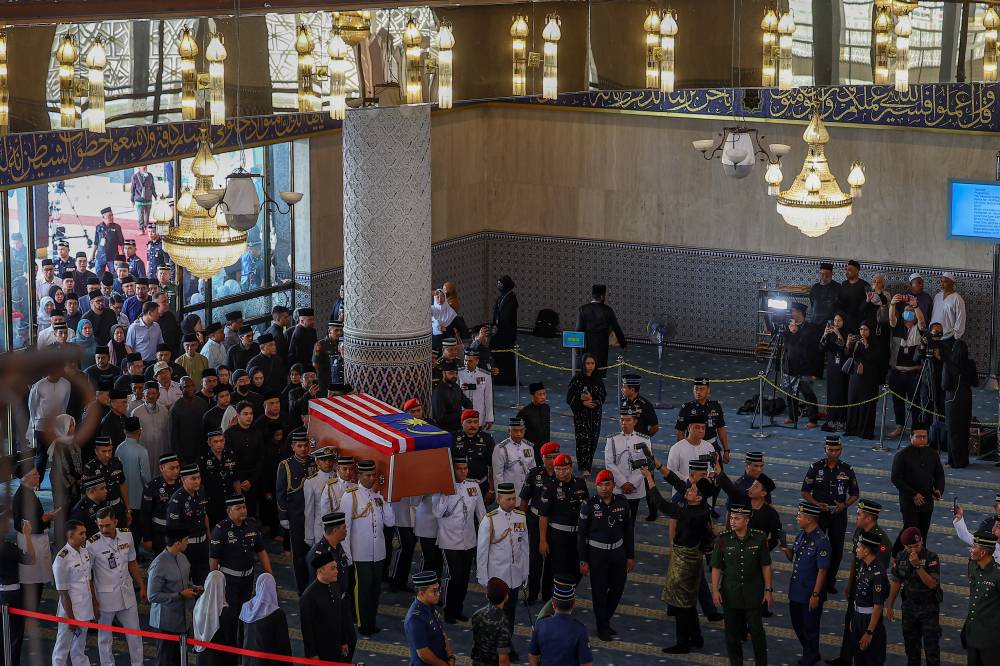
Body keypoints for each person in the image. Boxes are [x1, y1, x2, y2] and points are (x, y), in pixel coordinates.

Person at [641, 469, 715, 654]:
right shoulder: (703, 509)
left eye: (692, 491)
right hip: (694, 557)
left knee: (681, 604)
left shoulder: (690, 514)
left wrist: (649, 478)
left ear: (698, 498)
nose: (689, 490)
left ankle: (683, 643)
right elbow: (679, 484)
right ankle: (696, 637)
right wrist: (658, 466)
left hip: (684, 560)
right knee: (688, 601)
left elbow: (660, 503)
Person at [829, 499, 892, 666]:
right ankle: (846, 658)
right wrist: (850, 583)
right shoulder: (859, 532)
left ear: (869, 518)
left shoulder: (882, 541)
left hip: (871, 592)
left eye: (859, 514)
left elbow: (879, 572)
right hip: (858, 585)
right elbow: (855, 562)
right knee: (851, 621)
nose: (855, 517)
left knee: (868, 626)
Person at [710, 503, 772, 666]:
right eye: (731, 518)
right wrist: (715, 590)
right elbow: (716, 566)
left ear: (746, 521)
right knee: (732, 634)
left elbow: (766, 565)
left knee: (757, 631)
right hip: (730, 593)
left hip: (753, 593)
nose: (732, 521)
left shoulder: (759, 538)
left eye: (737, 518)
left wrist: (768, 590)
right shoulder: (723, 539)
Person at [577, 468, 634, 641]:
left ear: (613, 485)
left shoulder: (622, 503)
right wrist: (583, 560)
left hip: (618, 553)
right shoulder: (589, 505)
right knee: (599, 592)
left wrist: (630, 556)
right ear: (596, 486)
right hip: (597, 554)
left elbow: (628, 532)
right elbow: (581, 535)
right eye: (600, 485)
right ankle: (602, 627)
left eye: (607, 484)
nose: (604, 488)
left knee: (617, 588)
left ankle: (605, 620)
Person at [87, 507, 146, 666]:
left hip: (126, 593)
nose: (104, 529)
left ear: (115, 522)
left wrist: (141, 586)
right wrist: (93, 602)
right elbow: (88, 576)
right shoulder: (92, 544)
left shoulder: (127, 535)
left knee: (135, 635)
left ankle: (138, 664)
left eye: (107, 525)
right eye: (100, 526)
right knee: (105, 637)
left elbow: (132, 562)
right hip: (105, 598)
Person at [344, 458, 395, 635]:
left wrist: (386, 499)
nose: (371, 478)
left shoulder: (378, 496)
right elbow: (346, 528)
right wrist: (348, 555)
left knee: (375, 589)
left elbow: (390, 522)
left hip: (378, 552)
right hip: (360, 552)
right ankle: (362, 623)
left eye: (373, 475)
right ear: (359, 475)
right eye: (367, 475)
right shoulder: (350, 496)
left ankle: (371, 621)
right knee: (362, 589)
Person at [477, 482, 529, 656]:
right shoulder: (489, 519)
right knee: (495, 616)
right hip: (497, 578)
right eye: (508, 499)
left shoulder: (520, 517)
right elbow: (482, 551)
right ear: (499, 499)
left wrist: (525, 572)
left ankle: (507, 644)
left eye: (514, 498)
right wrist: (483, 578)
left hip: (514, 576)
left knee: (511, 613)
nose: (512, 502)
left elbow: (525, 548)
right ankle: (492, 647)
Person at [433, 456, 487, 622]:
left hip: (469, 540)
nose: (463, 472)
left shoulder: (473, 486)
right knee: (453, 576)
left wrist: (487, 536)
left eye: (465, 468)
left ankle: (458, 609)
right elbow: (437, 513)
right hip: (449, 540)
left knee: (464, 578)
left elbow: (481, 514)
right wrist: (447, 493)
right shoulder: (442, 487)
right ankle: (448, 610)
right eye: (459, 469)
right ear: (452, 470)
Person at [884, 527, 941, 666]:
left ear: (922, 541)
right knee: (911, 650)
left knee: (932, 652)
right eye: (910, 547)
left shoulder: (931, 557)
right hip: (909, 608)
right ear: (905, 546)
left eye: (917, 545)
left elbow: (933, 584)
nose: (914, 550)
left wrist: (917, 566)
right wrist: (890, 605)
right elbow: (896, 581)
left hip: (929, 609)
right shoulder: (901, 557)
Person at [784, 502, 832, 666]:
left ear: (810, 519)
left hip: (811, 592)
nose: (797, 518)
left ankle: (809, 658)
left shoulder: (822, 541)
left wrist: (816, 594)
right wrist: (787, 551)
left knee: (810, 628)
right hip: (796, 589)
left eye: (800, 515)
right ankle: (812, 652)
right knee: (797, 624)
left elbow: (823, 570)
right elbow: (794, 559)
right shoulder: (801, 535)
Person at [890, 421, 945, 555]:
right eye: (918, 437)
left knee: (923, 532)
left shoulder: (932, 454)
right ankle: (897, 552)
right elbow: (896, 478)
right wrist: (913, 494)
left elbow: (939, 475)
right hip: (909, 501)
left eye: (924, 437)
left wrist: (938, 489)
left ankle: (920, 556)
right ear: (911, 437)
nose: (922, 440)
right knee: (910, 529)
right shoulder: (902, 456)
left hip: (927, 500)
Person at [210, 494, 272, 608]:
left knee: (246, 611)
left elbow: (261, 552)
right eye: (238, 508)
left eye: (244, 507)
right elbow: (214, 559)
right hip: (229, 581)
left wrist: (270, 575)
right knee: (232, 613)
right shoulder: (220, 530)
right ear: (228, 511)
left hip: (248, 578)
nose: (243, 511)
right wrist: (215, 585)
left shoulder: (252, 525)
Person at [538, 453, 588, 592]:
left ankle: (567, 596)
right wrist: (543, 540)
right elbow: (543, 516)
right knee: (555, 570)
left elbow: (586, 509)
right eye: (558, 469)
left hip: (576, 535)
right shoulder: (550, 487)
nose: (561, 472)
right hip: (557, 536)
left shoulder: (580, 483)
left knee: (576, 569)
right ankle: (551, 601)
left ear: (571, 468)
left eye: (565, 469)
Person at [518, 441, 559, 605]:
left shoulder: (562, 473)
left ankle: (547, 595)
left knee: (551, 562)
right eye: (548, 457)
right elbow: (524, 500)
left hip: (555, 524)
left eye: (555, 457)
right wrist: (520, 526)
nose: (552, 461)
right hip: (534, 520)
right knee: (534, 560)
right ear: (541, 458)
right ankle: (533, 593)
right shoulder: (534, 474)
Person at [275, 431, 315, 593]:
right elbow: (280, 492)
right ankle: (302, 588)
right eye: (299, 446)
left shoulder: (315, 462)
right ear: (293, 447)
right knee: (299, 554)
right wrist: (283, 515)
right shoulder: (286, 465)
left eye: (306, 445)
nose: (304, 449)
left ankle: (314, 585)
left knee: (314, 553)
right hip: (296, 516)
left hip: (313, 516)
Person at [149, 528, 196, 666]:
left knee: (181, 660)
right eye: (186, 539)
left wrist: (193, 587)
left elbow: (183, 581)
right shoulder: (159, 564)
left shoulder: (182, 557)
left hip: (182, 619)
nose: (188, 542)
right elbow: (153, 596)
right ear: (177, 543)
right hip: (165, 622)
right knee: (165, 660)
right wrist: (180, 595)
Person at [52, 520, 96, 666]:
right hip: (69, 611)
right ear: (71, 535)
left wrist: (94, 604)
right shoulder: (61, 559)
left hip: (84, 607)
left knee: (80, 646)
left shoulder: (84, 552)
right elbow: (63, 593)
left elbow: (89, 581)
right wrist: (71, 618)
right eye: (81, 533)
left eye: (85, 532)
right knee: (62, 649)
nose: (85, 536)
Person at [12, 464, 54, 613]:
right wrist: (45, 519)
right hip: (30, 542)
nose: (39, 476)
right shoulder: (21, 496)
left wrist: (44, 519)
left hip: (36, 540)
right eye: (35, 474)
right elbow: (22, 524)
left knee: (38, 581)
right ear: (26, 478)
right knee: (31, 583)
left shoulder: (28, 492)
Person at [300, 551, 356, 662]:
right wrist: (312, 655)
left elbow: (340, 616)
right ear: (320, 571)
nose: (337, 571)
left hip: (337, 648)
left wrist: (343, 641)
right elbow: (307, 630)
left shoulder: (335, 586)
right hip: (321, 652)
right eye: (333, 568)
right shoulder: (308, 597)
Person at [887, 295, 927, 437]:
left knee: (914, 403)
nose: (908, 313)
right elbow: (891, 319)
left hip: (913, 373)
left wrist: (915, 306)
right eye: (906, 310)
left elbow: (922, 321)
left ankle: (915, 430)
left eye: (910, 311)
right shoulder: (898, 327)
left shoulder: (919, 328)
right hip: (897, 372)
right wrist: (892, 304)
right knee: (897, 402)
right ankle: (899, 426)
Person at [1, 505, 36, 666]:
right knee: (14, 637)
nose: (8, 523)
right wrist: (27, 535)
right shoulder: (6, 547)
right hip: (12, 596)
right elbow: (30, 559)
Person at [605, 407, 652, 525]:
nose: (624, 423)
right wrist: (623, 483)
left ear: (635, 421)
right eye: (622, 420)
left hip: (635, 488)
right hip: (617, 487)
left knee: (631, 521)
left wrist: (632, 483)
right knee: (615, 519)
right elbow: (609, 463)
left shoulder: (644, 439)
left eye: (628, 420)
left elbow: (646, 463)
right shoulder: (612, 439)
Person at [849, 531, 890, 666]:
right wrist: (854, 618)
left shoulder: (877, 573)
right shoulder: (863, 565)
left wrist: (869, 631)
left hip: (869, 620)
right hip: (858, 617)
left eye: (859, 547)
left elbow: (878, 606)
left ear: (866, 551)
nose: (856, 549)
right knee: (858, 659)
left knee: (871, 659)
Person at [167, 463, 212, 587]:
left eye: (198, 477)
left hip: (202, 544)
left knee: (203, 580)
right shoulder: (177, 500)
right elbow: (173, 529)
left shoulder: (201, 491)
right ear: (183, 480)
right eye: (193, 478)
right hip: (187, 547)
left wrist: (208, 535)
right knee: (183, 582)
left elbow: (204, 514)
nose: (197, 481)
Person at [527, 583, 593, 666]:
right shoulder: (580, 630)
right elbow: (586, 663)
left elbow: (532, 655)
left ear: (553, 605)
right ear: (573, 605)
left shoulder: (540, 625)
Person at [404, 571, 455, 666]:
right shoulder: (415, 618)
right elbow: (423, 654)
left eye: (438, 589)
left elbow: (442, 634)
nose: (438, 594)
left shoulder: (430, 606)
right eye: (434, 591)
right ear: (421, 594)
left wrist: (450, 657)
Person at [566, 353, 606, 476]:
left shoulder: (598, 379)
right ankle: (584, 467)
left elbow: (603, 396)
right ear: (583, 364)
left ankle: (589, 463)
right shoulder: (577, 379)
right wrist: (583, 403)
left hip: (594, 416)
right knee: (583, 440)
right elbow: (569, 397)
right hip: (581, 416)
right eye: (588, 363)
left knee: (593, 440)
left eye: (592, 363)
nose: (590, 366)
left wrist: (592, 399)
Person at [965, 530, 1000, 665]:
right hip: (973, 634)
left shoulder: (997, 575)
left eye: (974, 547)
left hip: (991, 638)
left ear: (983, 552)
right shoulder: (974, 566)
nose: (971, 549)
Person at [576, 284, 626, 378]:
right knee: (599, 373)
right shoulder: (608, 310)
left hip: (586, 347)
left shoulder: (582, 309)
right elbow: (616, 328)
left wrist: (578, 351)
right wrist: (623, 344)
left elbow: (578, 331)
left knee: (585, 372)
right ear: (603, 296)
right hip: (601, 348)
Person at [783, 305, 821, 428]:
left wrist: (796, 332)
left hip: (806, 367)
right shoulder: (789, 327)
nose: (791, 314)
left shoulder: (811, 329)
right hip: (790, 365)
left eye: (793, 312)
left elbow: (813, 349)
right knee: (790, 393)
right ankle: (792, 416)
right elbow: (786, 344)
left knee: (807, 393)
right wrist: (789, 332)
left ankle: (813, 419)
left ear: (800, 313)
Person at [844, 321, 883, 439]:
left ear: (870, 331)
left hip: (869, 378)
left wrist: (866, 346)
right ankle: (852, 428)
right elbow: (847, 354)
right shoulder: (857, 341)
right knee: (853, 400)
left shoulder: (876, 342)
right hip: (855, 377)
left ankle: (864, 431)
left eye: (865, 329)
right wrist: (848, 344)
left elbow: (875, 359)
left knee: (866, 403)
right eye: (861, 329)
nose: (862, 332)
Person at [193, 570, 240, 666]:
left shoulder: (198, 605)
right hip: (220, 659)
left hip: (202, 657)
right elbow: (230, 640)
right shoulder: (225, 613)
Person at [115, 417, 152, 540]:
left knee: (125, 531)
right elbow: (146, 477)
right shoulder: (142, 451)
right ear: (139, 431)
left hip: (121, 498)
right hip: (138, 499)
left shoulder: (118, 449)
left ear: (124, 431)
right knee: (136, 531)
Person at [942, 338, 976, 468]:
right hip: (966, 399)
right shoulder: (971, 363)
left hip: (952, 400)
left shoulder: (949, 364)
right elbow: (975, 382)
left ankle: (953, 461)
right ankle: (964, 460)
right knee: (964, 430)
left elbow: (944, 385)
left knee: (952, 431)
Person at [142, 454, 181, 556]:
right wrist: (147, 538)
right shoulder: (152, 486)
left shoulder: (183, 483)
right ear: (161, 468)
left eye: (177, 467)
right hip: (160, 534)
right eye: (172, 468)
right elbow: (145, 514)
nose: (176, 471)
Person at [451, 409, 496, 500]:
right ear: (462, 422)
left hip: (481, 486)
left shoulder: (487, 439)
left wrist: (491, 490)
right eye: (469, 422)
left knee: (481, 514)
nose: (473, 425)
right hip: (459, 487)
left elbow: (492, 466)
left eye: (476, 422)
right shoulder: (452, 438)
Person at [470, 577, 513, 666]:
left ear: (487, 595)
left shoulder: (477, 615)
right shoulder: (503, 623)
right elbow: (503, 658)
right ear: (506, 597)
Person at [491, 275, 518, 385]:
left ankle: (506, 378)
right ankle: (498, 377)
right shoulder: (500, 298)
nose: (498, 286)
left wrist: (499, 327)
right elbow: (496, 313)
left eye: (500, 284)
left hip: (506, 334)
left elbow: (507, 317)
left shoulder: (511, 299)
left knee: (506, 357)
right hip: (498, 333)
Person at [459, 349, 494, 428]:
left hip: (478, 413)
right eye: (465, 360)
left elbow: (488, 398)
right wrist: (460, 389)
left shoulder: (485, 375)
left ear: (477, 361)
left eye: (470, 361)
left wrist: (489, 418)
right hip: (462, 413)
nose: (466, 363)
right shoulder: (458, 373)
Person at [518, 382, 551, 465]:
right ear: (532, 396)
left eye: (544, 393)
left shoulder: (546, 408)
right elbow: (517, 434)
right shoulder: (524, 412)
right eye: (540, 394)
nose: (543, 397)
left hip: (544, 449)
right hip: (529, 451)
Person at [930, 271, 966, 343]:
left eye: (945, 282)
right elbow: (933, 314)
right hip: (934, 334)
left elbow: (961, 318)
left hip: (948, 337)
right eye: (941, 281)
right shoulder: (937, 296)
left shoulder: (957, 299)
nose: (942, 284)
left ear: (952, 283)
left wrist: (956, 335)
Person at [837, 260, 870, 334]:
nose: (847, 272)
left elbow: (868, 305)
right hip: (845, 322)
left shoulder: (865, 285)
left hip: (859, 322)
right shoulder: (844, 284)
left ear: (857, 271)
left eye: (850, 270)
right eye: (846, 270)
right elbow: (840, 301)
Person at [312, 321, 342, 391]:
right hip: (325, 380)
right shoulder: (320, 345)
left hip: (338, 379)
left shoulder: (341, 344)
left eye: (341, 330)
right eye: (336, 330)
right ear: (329, 331)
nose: (339, 333)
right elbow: (315, 364)